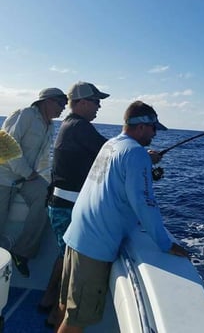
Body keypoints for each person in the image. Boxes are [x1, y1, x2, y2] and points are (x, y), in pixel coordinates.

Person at [56, 100, 188, 333]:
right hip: (94, 245)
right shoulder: (135, 153)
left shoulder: (112, 144)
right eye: (153, 128)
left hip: (77, 233)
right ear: (141, 127)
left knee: (68, 305)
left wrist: (145, 159)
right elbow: (145, 203)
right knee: (77, 319)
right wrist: (165, 243)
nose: (155, 133)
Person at [37, 81, 109, 321]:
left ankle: (49, 301)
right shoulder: (80, 127)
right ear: (83, 102)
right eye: (96, 101)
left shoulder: (71, 125)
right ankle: (56, 313)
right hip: (66, 207)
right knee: (69, 258)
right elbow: (111, 152)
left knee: (64, 254)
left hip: (61, 204)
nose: (99, 106)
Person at [0, 87, 67, 277]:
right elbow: (5, 146)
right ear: (47, 101)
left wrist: (42, 178)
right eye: (60, 103)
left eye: (65, 104)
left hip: (25, 177)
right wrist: (28, 173)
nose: (63, 108)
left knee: (46, 196)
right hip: (4, 176)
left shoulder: (50, 125)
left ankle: (22, 252)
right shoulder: (25, 115)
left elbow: (44, 158)